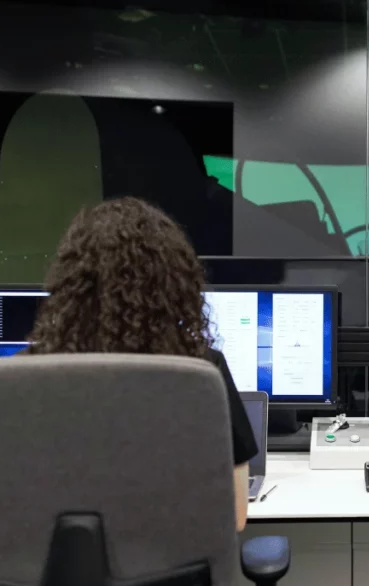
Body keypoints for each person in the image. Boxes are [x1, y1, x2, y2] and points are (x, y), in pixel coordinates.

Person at [26, 197, 257, 531]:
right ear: (175, 286)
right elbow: (234, 517)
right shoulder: (202, 374)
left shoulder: (23, 379)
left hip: (52, 578)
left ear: (70, 284)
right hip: (170, 578)